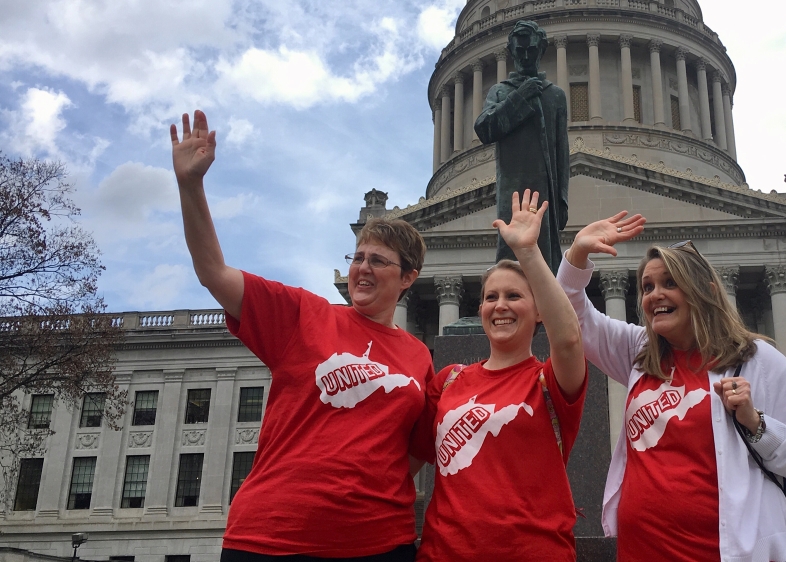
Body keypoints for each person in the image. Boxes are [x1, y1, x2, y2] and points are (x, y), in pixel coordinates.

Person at [170, 110, 433, 562]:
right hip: (273, 538)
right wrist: (190, 185)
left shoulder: (419, 357)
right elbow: (213, 273)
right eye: (357, 257)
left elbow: (412, 453)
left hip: (377, 544)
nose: (362, 268)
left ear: (408, 277)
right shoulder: (302, 315)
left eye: (378, 261)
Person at [556, 212, 786, 562]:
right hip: (641, 551)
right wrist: (577, 256)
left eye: (669, 283)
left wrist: (757, 424)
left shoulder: (757, 359)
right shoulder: (639, 353)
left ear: (705, 291)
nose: (655, 295)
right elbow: (570, 318)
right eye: (647, 287)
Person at [413, 190, 588, 562]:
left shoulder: (549, 382)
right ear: (480, 310)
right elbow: (409, 461)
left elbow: (570, 341)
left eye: (514, 296)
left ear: (539, 310)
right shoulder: (448, 380)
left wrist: (527, 251)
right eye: (491, 298)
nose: (501, 306)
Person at [474, 20, 569, 275]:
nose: (526, 56)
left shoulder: (555, 95)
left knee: (547, 261)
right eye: (520, 51)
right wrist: (520, 97)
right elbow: (484, 128)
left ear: (541, 50)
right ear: (512, 52)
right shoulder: (501, 91)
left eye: (531, 50)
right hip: (512, 188)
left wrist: (562, 198)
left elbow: (562, 152)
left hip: (544, 186)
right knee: (510, 259)